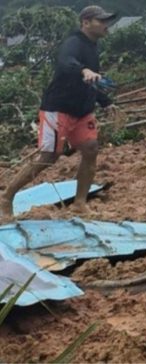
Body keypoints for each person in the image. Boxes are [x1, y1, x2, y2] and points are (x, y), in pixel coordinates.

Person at [0, 5, 120, 219]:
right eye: (100, 21)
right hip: (58, 108)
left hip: (82, 110)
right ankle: (7, 197)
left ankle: (80, 203)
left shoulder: (93, 47)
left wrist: (106, 101)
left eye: (106, 21)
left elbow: (91, 81)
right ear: (85, 22)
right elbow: (66, 63)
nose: (105, 25)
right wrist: (83, 69)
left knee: (91, 149)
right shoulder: (73, 43)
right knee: (49, 156)